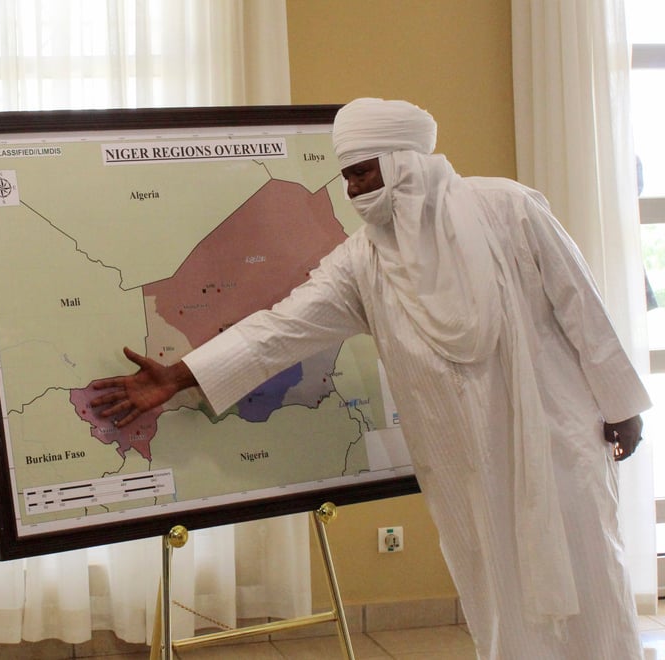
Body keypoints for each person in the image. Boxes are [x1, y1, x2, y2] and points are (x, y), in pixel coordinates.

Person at [92, 98, 651, 658]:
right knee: (496, 590)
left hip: (556, 440)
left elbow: (580, 302)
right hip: (467, 464)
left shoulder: (509, 207)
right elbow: (281, 329)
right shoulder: (363, 261)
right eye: (347, 178)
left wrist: (621, 402)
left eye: (363, 172)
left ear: (404, 161)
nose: (354, 191)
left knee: (590, 573)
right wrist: (179, 376)